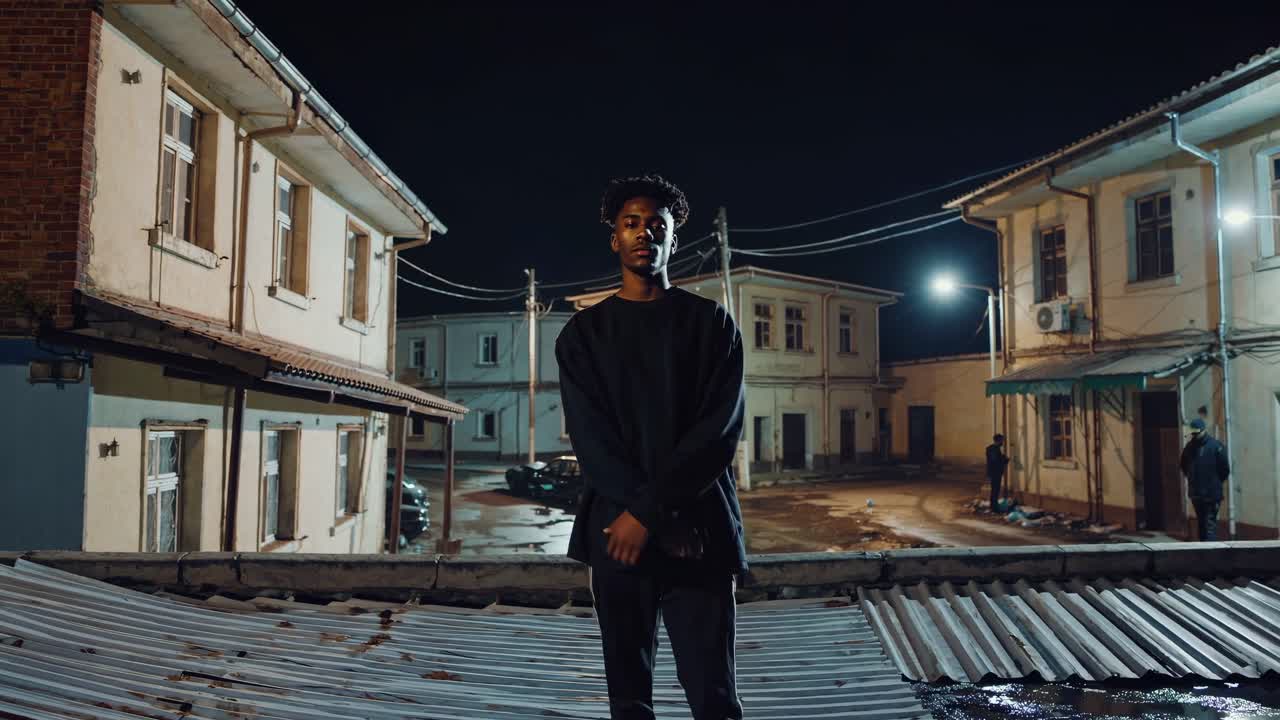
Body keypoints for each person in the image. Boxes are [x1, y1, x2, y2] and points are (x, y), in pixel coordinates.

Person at [556, 174, 746, 720]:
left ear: (673, 240)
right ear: (614, 237)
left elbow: (717, 434)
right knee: (630, 698)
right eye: (631, 223)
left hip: (699, 532)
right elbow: (592, 441)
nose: (644, 233)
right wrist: (646, 519)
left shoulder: (712, 325)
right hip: (618, 536)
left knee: (714, 695)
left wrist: (651, 513)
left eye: (656, 225)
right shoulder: (582, 336)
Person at [1180, 418, 1230, 541]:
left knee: (1209, 527)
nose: (1195, 435)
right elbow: (1184, 466)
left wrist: (1214, 483)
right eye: (1193, 433)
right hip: (1197, 494)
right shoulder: (1189, 448)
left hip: (1211, 495)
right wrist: (1193, 480)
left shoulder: (1216, 447)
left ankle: (1210, 557)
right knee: (1202, 526)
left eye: (1197, 433)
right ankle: (1203, 556)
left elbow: (1225, 469)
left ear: (1204, 431)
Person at [985, 434, 1010, 513]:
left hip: (993, 473)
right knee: (995, 490)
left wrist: (1002, 458)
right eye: (1001, 440)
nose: (1002, 442)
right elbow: (995, 461)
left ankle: (994, 506)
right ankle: (994, 507)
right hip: (995, 473)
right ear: (998, 440)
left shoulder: (993, 449)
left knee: (995, 490)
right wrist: (1004, 459)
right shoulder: (994, 449)